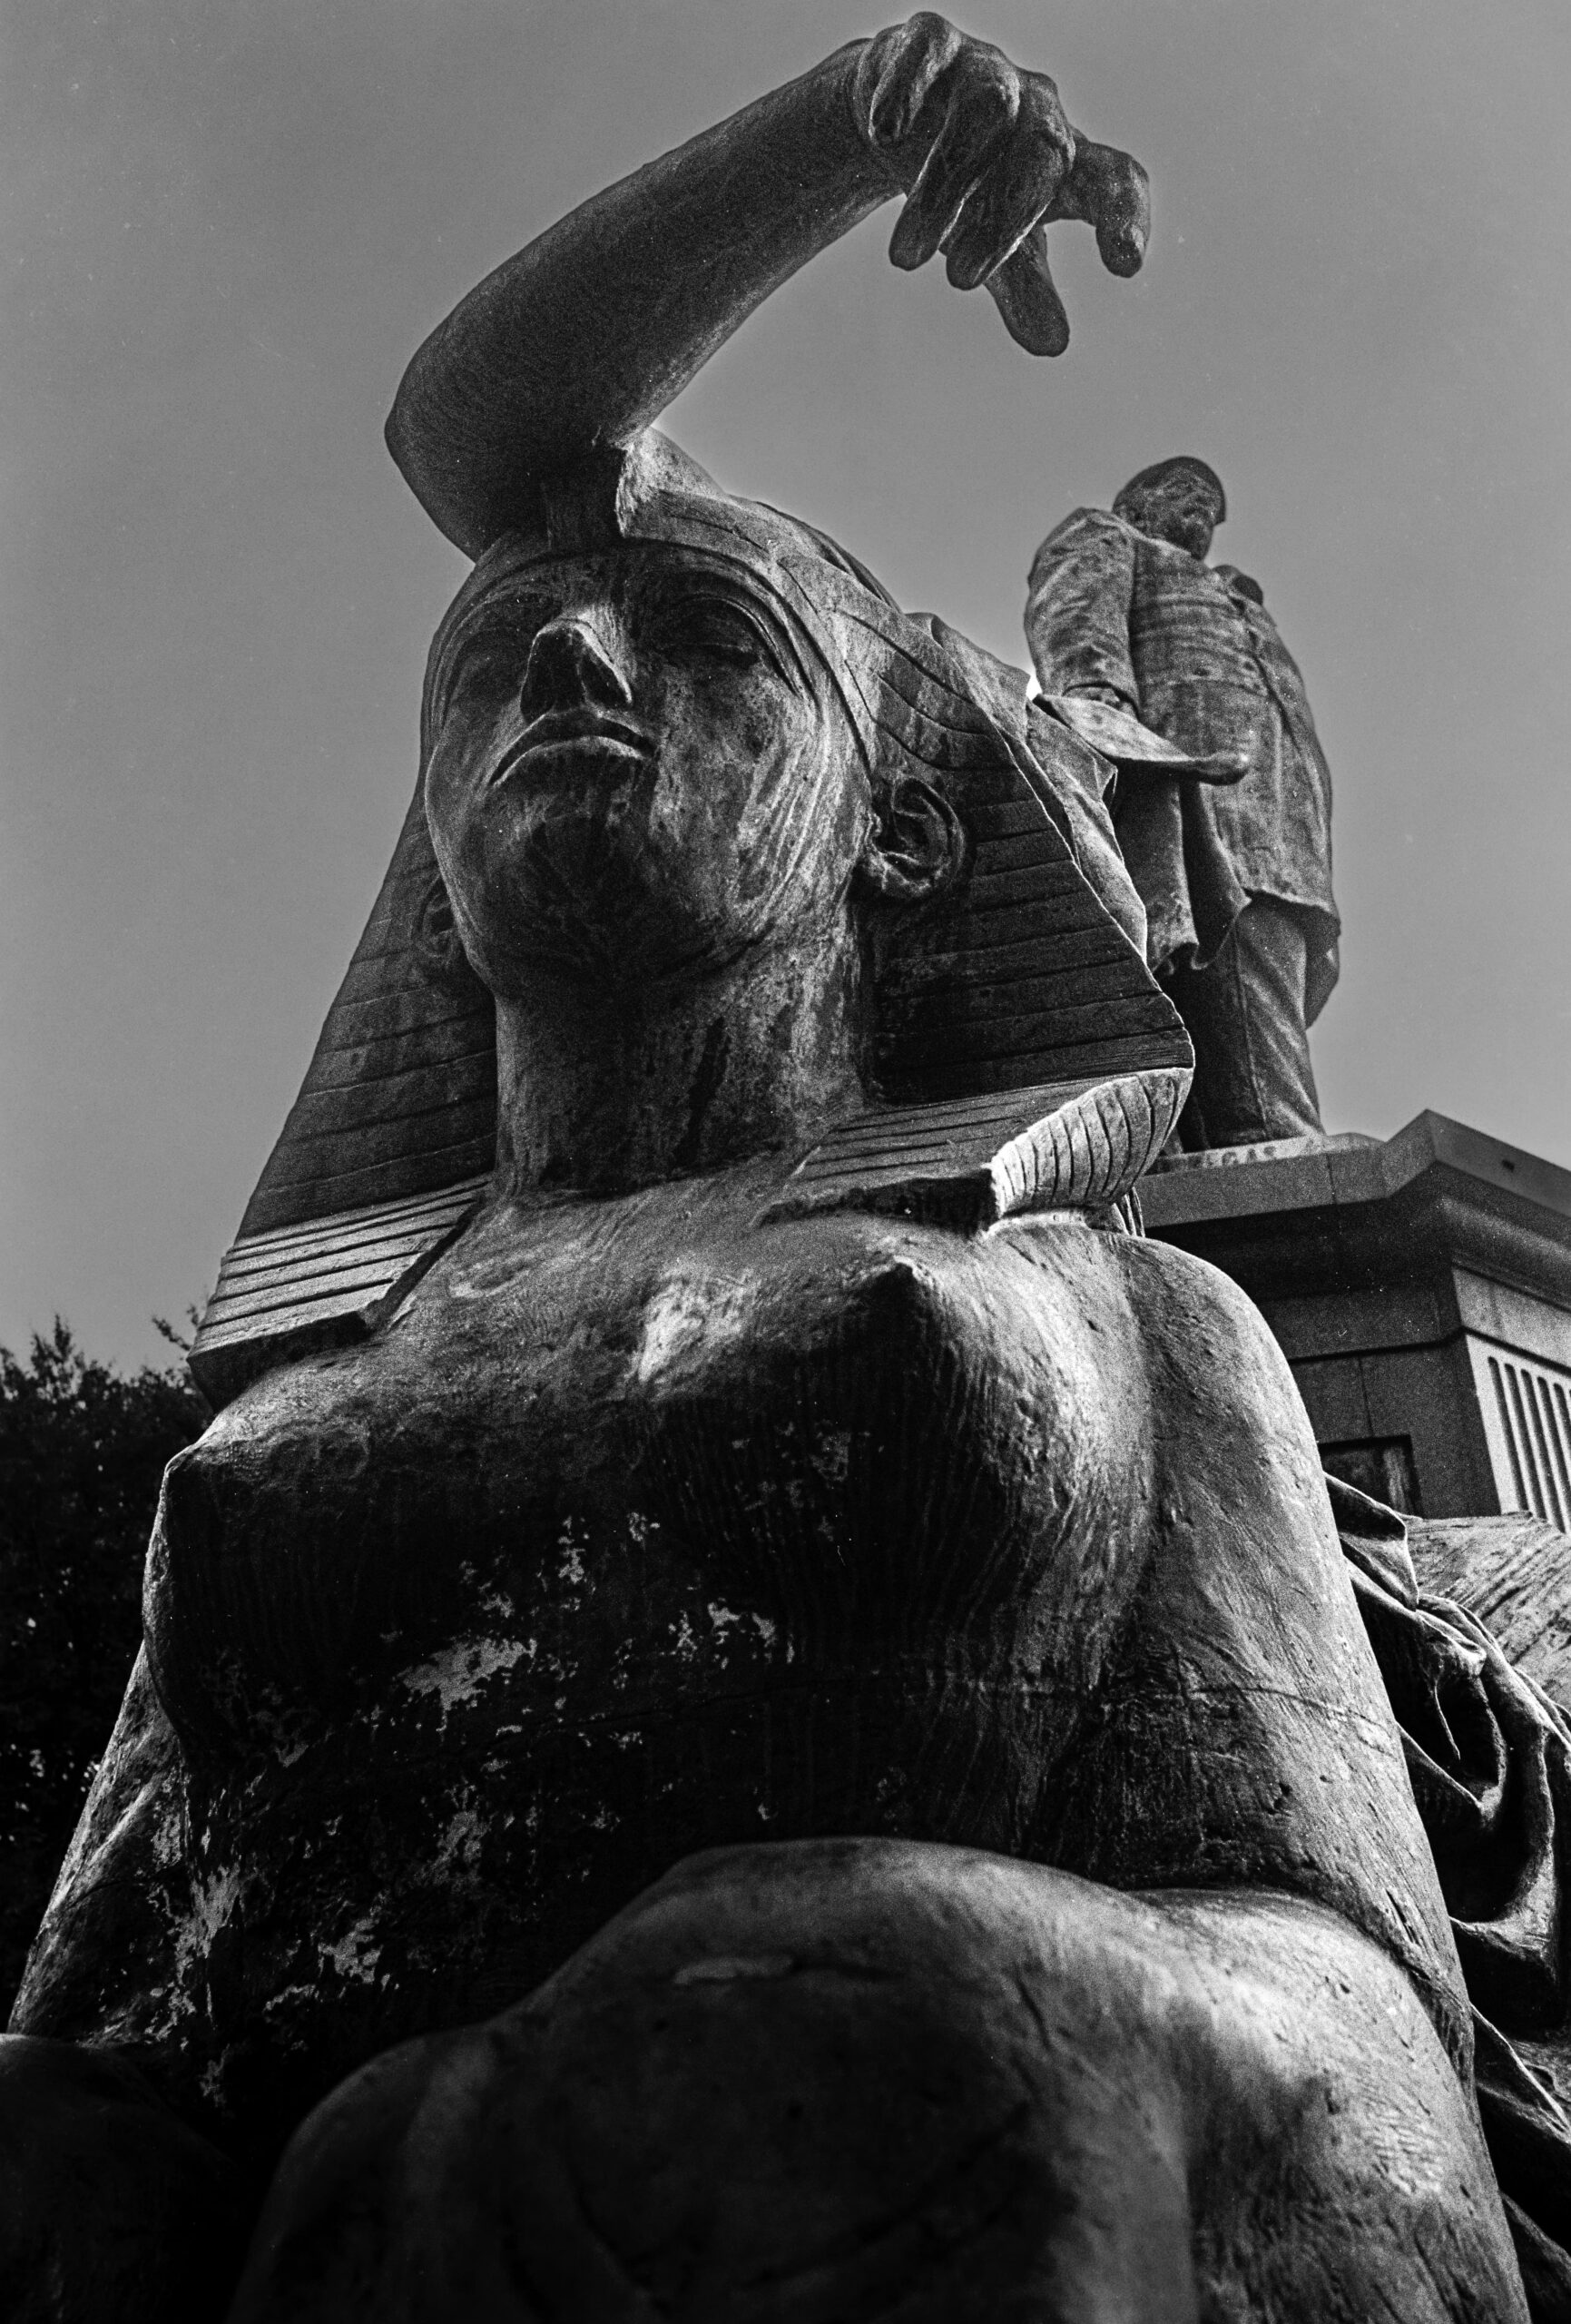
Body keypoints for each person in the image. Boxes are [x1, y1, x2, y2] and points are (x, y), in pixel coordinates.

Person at [0, 20, 1544, 2321]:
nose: (569, 654)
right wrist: (845, 120)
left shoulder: (1136, 1324)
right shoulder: (291, 1408)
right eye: (486, 665)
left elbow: (1372, 2069)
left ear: (904, 829)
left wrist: (980, 2014)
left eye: (709, 637)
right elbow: (97, 2048)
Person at [1026, 455, 1340, 1150]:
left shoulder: (1241, 601)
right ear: (1136, 502)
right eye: (1185, 493)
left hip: (1279, 836)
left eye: (1211, 506)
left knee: (1256, 1003)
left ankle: (1238, 1151)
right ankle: (1277, 1162)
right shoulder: (1111, 538)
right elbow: (1079, 633)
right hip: (1190, 804)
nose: (1202, 511)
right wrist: (1103, 729)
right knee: (1243, 1030)